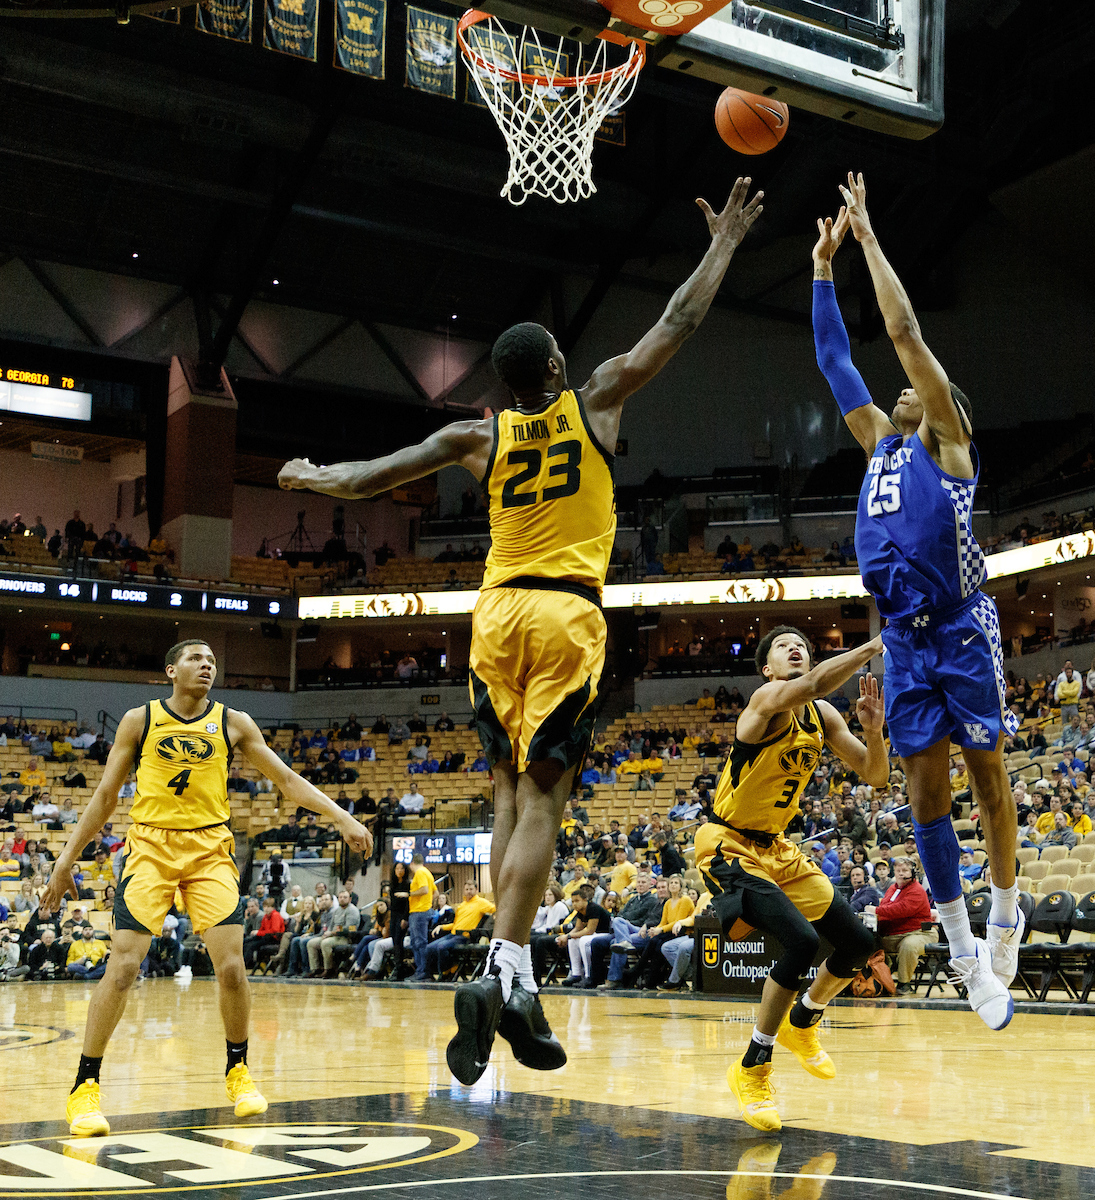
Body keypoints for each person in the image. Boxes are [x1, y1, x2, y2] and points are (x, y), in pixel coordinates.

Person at [279, 176, 765, 1084]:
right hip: (563, 613)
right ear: (555, 366)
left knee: (505, 794)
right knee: (545, 800)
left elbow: (372, 475)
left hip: (492, 616)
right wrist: (725, 243)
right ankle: (505, 967)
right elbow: (678, 319)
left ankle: (516, 982)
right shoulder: (596, 399)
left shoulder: (478, 438)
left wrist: (312, 476)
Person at [812, 174, 1019, 1031]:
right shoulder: (876, 444)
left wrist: (866, 240)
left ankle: (1005, 912)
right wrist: (821, 271)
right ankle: (963, 949)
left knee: (988, 778)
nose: (898, 392)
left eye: (917, 391)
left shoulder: (949, 445)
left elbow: (901, 333)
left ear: (942, 409)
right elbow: (834, 362)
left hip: (962, 628)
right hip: (903, 638)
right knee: (925, 796)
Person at [39, 638, 371, 1138]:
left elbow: (286, 780)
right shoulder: (139, 720)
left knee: (232, 968)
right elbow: (106, 795)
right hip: (150, 847)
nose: (206, 666)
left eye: (212, 660)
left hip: (210, 848)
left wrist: (342, 816)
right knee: (124, 966)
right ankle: (85, 1086)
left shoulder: (234, 722)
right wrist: (66, 859)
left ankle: (238, 1070)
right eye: (196, 659)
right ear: (171, 670)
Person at [695, 627, 886, 1132]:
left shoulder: (822, 715)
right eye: (783, 645)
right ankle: (752, 1067)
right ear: (768, 669)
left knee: (858, 944)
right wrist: (873, 647)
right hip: (728, 843)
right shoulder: (765, 701)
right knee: (801, 943)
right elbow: (816, 683)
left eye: (801, 642)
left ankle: (803, 1020)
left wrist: (873, 731)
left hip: (777, 848)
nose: (794, 647)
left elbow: (875, 776)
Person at [870, 858, 935, 995]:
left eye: (904, 870)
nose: (901, 873)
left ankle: (904, 984)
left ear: (913, 872)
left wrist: (876, 910)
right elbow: (886, 907)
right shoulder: (892, 888)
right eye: (898, 870)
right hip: (894, 934)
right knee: (868, 941)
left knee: (909, 945)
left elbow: (901, 909)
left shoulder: (916, 890)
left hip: (920, 933)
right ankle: (875, 981)